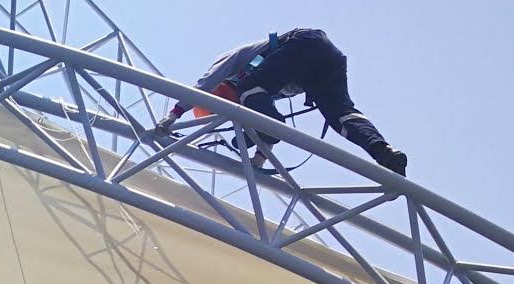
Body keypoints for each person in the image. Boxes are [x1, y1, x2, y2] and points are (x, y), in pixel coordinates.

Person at [156, 28, 406, 176]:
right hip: (326, 60)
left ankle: (254, 135)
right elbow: (267, 122)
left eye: (222, 101)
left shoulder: (234, 69)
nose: (231, 107)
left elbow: (204, 85)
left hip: (304, 43)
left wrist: (173, 115)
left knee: (249, 91)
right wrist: (258, 159)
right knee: (341, 115)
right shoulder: (259, 92)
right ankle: (383, 151)